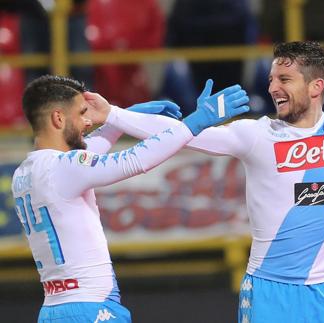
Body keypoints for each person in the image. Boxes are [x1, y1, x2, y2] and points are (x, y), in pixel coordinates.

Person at [102, 41, 324, 322]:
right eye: (272, 79)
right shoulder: (255, 135)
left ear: (316, 86)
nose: (273, 87)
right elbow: (180, 135)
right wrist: (114, 115)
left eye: (284, 79)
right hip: (268, 291)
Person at [11, 75, 249, 323]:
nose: (89, 121)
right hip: (90, 309)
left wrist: (120, 120)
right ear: (58, 118)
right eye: (82, 113)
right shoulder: (63, 168)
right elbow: (134, 160)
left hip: (53, 310)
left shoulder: (25, 172)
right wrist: (196, 122)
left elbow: (85, 155)